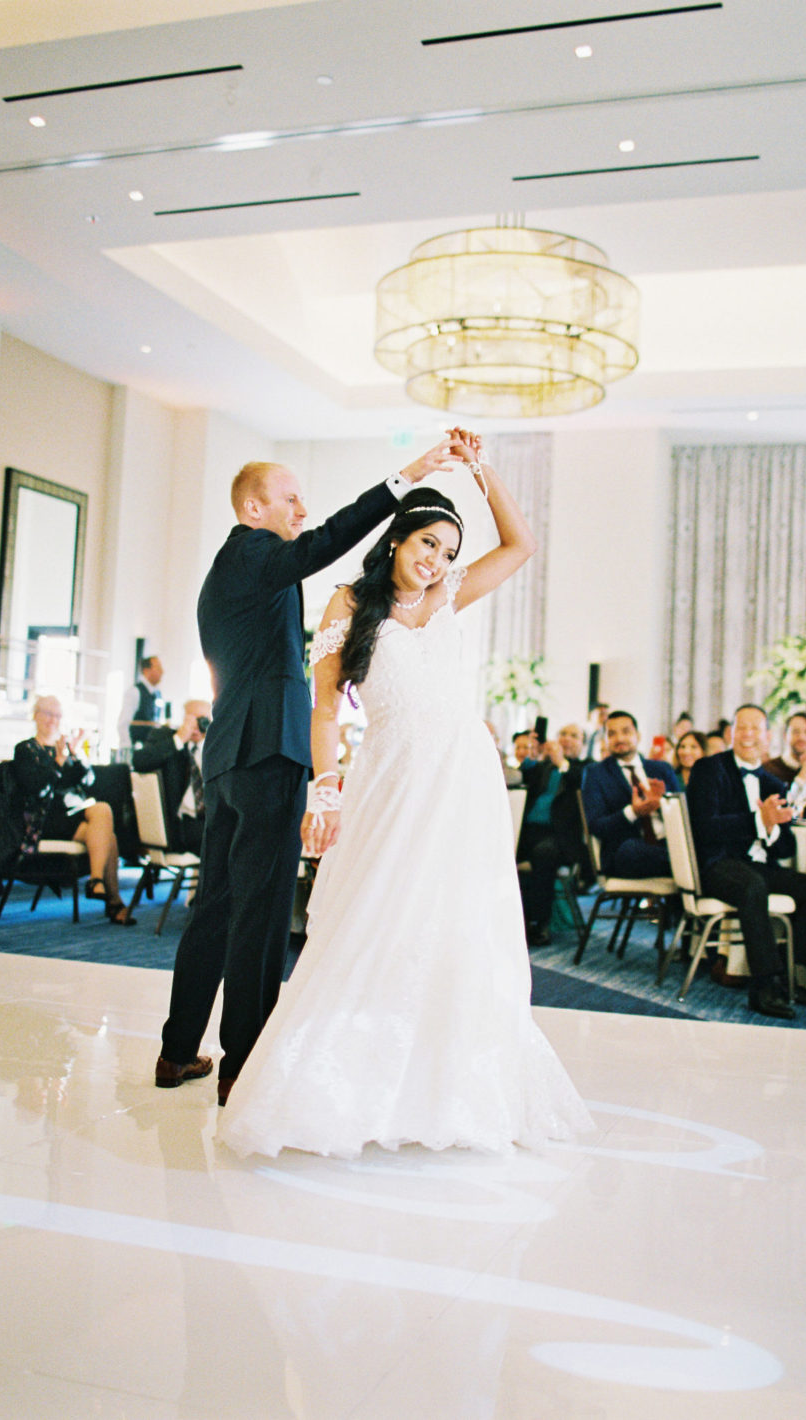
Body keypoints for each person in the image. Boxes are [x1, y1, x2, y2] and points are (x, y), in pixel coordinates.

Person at [218, 431, 593, 1158]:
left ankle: (444, 1088)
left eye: (449, 551)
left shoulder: (450, 596)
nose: (437, 561)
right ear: (396, 541)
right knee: (377, 918)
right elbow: (325, 709)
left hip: (464, 781)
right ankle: (351, 1089)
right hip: (391, 777)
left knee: (458, 926)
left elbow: (520, 545)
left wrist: (482, 471)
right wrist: (323, 792)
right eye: (427, 543)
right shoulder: (347, 604)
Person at [155, 439, 459, 1096]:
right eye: (290, 498)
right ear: (253, 506)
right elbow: (321, 543)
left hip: (232, 754)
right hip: (269, 753)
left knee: (215, 906)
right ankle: (243, 1065)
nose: (301, 508)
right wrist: (405, 480)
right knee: (260, 913)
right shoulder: (254, 552)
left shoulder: (230, 574)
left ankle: (177, 1052)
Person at [686, 703, 806, 1020]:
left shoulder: (772, 783)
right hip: (717, 864)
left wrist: (771, 828)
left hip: (758, 864)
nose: (748, 734)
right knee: (753, 887)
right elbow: (705, 827)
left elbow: (785, 849)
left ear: (767, 736)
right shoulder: (708, 769)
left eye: (756, 728)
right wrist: (757, 820)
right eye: (742, 727)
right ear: (731, 733)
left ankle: (786, 975)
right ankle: (763, 985)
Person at [13, 694, 135, 923]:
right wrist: (59, 761)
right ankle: (113, 900)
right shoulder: (26, 750)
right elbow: (37, 788)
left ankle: (97, 881)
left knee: (102, 810)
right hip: (44, 818)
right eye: (48, 713)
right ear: (36, 716)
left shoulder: (66, 748)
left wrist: (77, 754)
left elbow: (89, 780)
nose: (53, 720)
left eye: (57, 715)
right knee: (109, 835)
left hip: (73, 815)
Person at [581, 711, 680, 877]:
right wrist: (633, 812)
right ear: (605, 740)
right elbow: (596, 826)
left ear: (638, 736)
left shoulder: (662, 769)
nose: (619, 739)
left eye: (626, 732)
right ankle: (683, 863)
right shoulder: (595, 773)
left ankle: (681, 862)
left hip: (666, 843)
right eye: (612, 734)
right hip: (625, 851)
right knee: (631, 851)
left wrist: (662, 803)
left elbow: (682, 816)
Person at [516, 723, 588, 946]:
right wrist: (533, 753)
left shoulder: (586, 768)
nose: (567, 739)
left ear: (583, 744)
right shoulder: (544, 767)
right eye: (563, 734)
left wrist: (562, 763)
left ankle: (538, 923)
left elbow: (579, 782)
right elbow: (522, 774)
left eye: (574, 736)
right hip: (528, 830)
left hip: (561, 837)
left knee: (543, 853)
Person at [132, 699, 211, 854]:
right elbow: (139, 761)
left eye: (203, 719)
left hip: (209, 820)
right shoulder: (166, 738)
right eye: (192, 718)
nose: (197, 724)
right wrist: (179, 739)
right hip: (179, 825)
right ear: (184, 719)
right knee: (219, 839)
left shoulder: (214, 748)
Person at [762, 711, 806, 787]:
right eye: (795, 732)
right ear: (785, 735)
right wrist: (805, 772)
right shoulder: (769, 769)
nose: (801, 737)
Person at [117, 655, 164, 750]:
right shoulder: (135, 692)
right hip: (136, 748)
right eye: (158, 668)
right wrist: (127, 749)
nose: (162, 672)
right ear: (146, 671)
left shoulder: (158, 694)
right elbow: (123, 724)